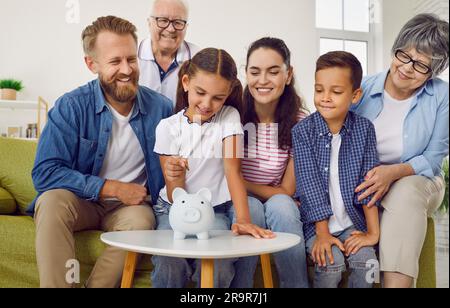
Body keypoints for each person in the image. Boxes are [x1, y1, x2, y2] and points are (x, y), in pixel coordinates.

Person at [31, 16, 173, 288]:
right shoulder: (70, 107)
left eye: (131, 59)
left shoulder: (161, 109)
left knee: (143, 220)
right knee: (50, 203)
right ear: (91, 64)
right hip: (81, 202)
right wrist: (111, 187)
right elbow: (45, 173)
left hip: (128, 209)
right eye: (115, 61)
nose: (126, 69)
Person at [151, 47, 275, 288]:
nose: (207, 104)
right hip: (172, 208)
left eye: (218, 97)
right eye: (200, 92)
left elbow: (232, 170)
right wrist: (174, 173)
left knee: (217, 261)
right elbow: (177, 193)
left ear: (228, 93)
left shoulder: (229, 117)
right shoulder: (167, 127)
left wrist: (243, 218)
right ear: (186, 83)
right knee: (169, 260)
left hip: (213, 210)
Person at [351, 14, 449, 288]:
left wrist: (393, 172)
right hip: (367, 181)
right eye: (403, 55)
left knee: (404, 192)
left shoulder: (442, 96)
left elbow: (433, 159)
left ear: (434, 71)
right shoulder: (364, 87)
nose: (407, 68)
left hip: (420, 180)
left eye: (420, 65)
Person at [292, 51, 380, 288]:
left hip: (352, 224)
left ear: (355, 95)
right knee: (331, 264)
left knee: (369, 265)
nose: (325, 98)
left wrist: (372, 233)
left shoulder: (364, 129)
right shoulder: (302, 132)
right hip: (315, 226)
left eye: (336, 92)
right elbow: (309, 185)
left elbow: (369, 183)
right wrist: (322, 233)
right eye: (319, 90)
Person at [241, 37, 309, 288]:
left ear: (288, 75)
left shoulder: (300, 122)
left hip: (278, 199)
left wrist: (242, 181)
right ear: (246, 74)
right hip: (238, 198)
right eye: (255, 72)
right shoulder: (233, 115)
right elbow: (226, 178)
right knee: (251, 208)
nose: (263, 81)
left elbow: (287, 191)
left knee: (282, 205)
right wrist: (240, 185)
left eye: (273, 72)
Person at [139, 0, 200, 105]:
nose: (171, 29)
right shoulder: (130, 56)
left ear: (186, 27)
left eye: (178, 22)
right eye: (163, 20)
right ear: (149, 23)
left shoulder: (199, 58)